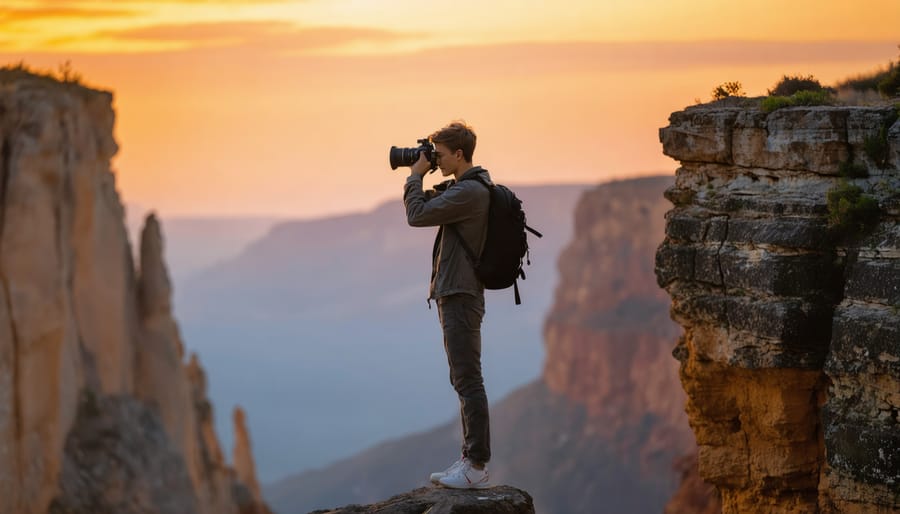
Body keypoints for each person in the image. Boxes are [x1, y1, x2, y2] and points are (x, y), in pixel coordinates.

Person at [402, 120, 492, 489]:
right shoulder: (464, 188)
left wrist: (414, 175)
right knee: (463, 378)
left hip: (460, 294)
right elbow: (427, 208)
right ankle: (470, 459)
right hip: (456, 292)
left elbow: (416, 214)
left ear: (459, 154)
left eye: (439, 155)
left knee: (468, 379)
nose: (434, 161)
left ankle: (477, 466)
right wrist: (427, 176)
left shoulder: (469, 193)